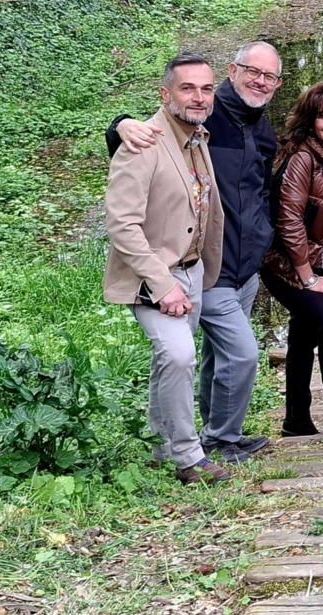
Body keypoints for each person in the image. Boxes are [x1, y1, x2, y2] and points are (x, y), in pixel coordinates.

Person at [109, 41, 282, 464]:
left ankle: (171, 445)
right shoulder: (195, 120)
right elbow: (139, 151)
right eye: (253, 71)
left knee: (205, 356)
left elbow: (260, 190)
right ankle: (205, 446)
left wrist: (264, 240)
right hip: (186, 270)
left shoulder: (245, 129)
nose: (260, 81)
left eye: (270, 76)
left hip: (231, 265)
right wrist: (119, 125)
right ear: (232, 71)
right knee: (223, 354)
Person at [103, 54, 230, 484]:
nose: (198, 97)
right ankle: (189, 458)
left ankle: (161, 447)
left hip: (192, 271)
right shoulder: (142, 143)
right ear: (165, 93)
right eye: (187, 88)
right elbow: (122, 224)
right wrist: (163, 285)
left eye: (206, 89)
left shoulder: (197, 136)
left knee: (169, 361)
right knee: (179, 355)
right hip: (153, 277)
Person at [261, 83, 323, 449]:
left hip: (322, 263)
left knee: (304, 330)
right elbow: (288, 220)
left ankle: (296, 420)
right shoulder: (302, 157)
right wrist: (308, 278)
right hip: (285, 266)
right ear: (309, 120)